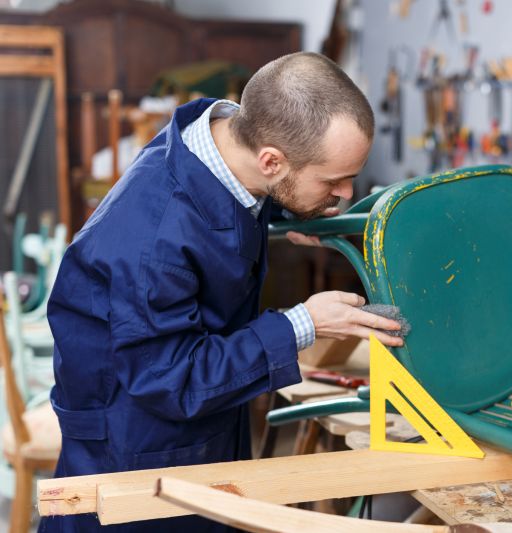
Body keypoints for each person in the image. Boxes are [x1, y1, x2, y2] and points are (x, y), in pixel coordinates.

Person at [40, 52, 403, 532]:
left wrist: (291, 213)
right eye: (333, 181)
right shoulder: (154, 240)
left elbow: (230, 204)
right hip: (138, 460)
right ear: (272, 160)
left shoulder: (224, 142)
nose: (344, 195)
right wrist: (305, 324)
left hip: (198, 427)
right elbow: (171, 379)